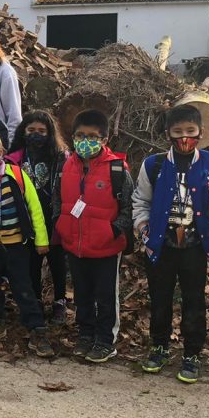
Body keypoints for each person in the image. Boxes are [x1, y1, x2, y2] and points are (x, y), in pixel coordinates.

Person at [133, 105, 209, 383]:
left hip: (195, 247)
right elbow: (141, 200)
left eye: (190, 131)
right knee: (159, 298)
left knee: (194, 301)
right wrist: (143, 229)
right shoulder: (154, 165)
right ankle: (159, 346)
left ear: (201, 132)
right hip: (161, 246)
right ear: (168, 134)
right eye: (177, 132)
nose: (184, 137)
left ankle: (192, 353)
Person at [0, 129, 54, 357]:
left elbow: (35, 209)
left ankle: (36, 328)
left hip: (17, 245)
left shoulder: (17, 176)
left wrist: (42, 240)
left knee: (23, 286)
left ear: (1, 152)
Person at [53, 109, 133, 364]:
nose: (84, 141)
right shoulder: (66, 166)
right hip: (75, 245)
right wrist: (60, 224)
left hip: (106, 247)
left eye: (91, 136)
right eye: (80, 135)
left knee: (106, 297)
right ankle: (85, 335)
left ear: (104, 139)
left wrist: (112, 231)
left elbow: (129, 207)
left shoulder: (117, 169)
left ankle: (105, 341)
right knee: (82, 294)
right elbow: (57, 199)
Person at [6, 110, 70, 326]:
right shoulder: (14, 159)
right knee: (31, 262)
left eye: (42, 131)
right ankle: (35, 301)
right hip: (26, 218)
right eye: (31, 130)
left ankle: (60, 301)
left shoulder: (60, 157)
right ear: (23, 131)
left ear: (50, 133)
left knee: (57, 261)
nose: (36, 134)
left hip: (53, 216)